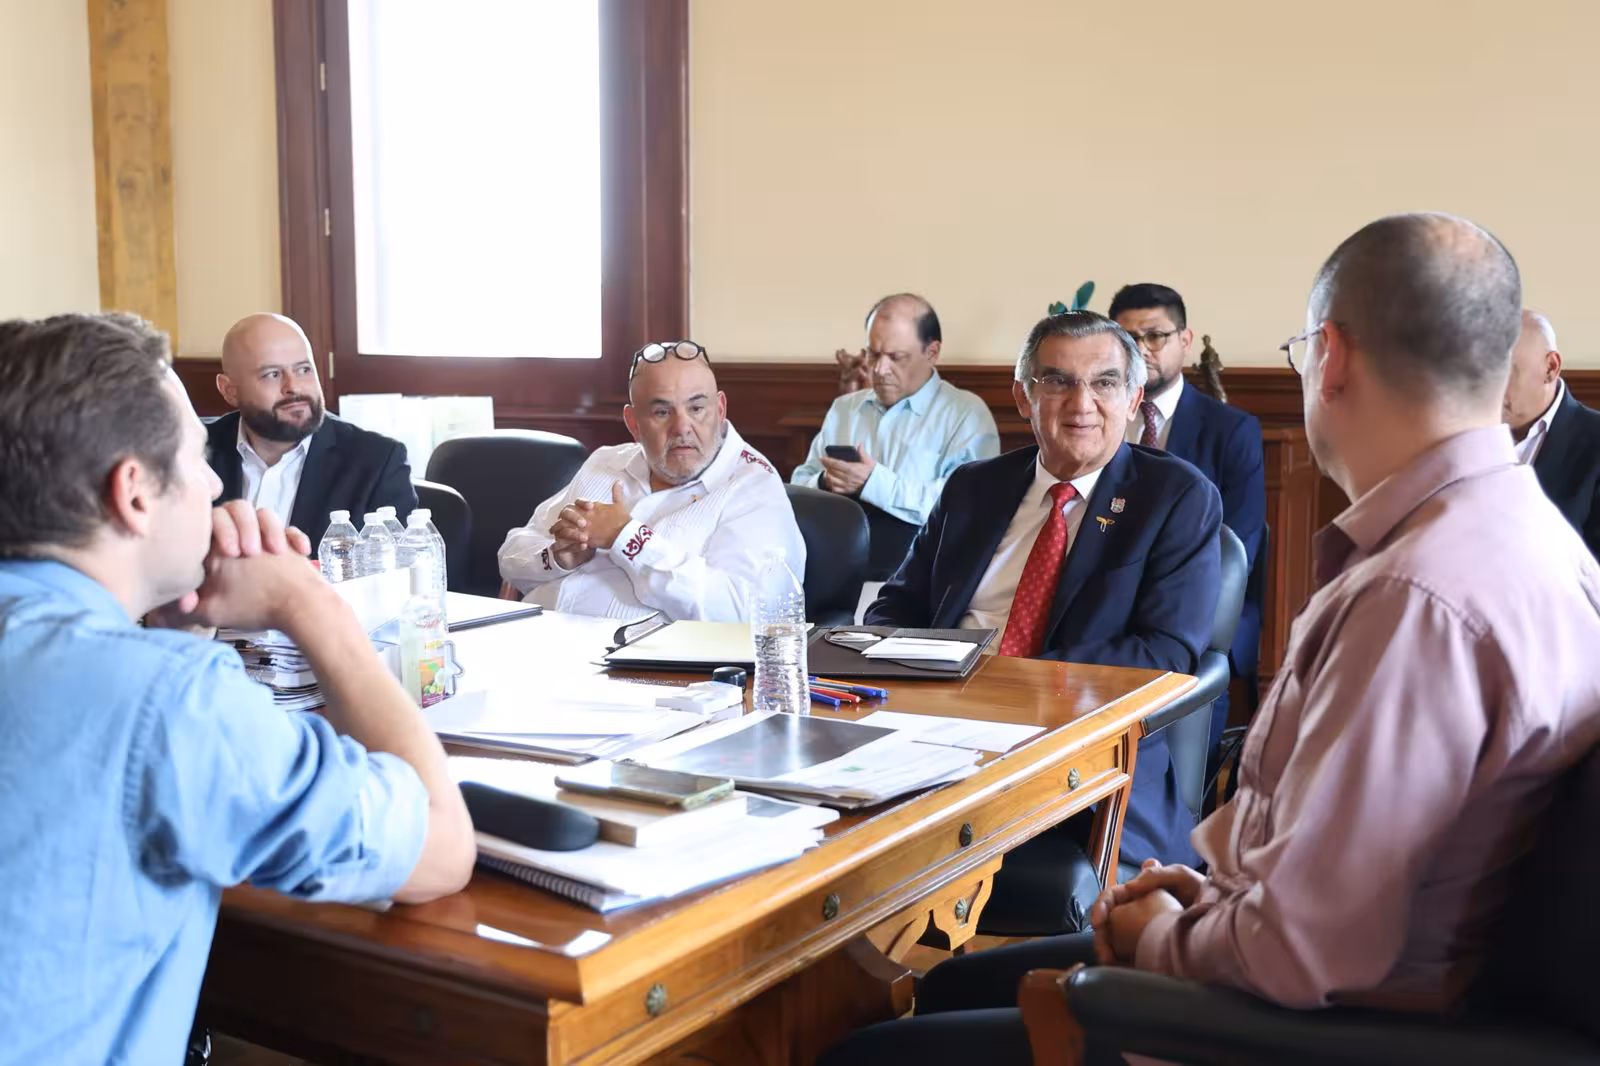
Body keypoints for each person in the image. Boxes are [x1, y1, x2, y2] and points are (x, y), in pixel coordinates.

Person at [821, 213, 1600, 1066]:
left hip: (1301, 1030)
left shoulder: (1413, 598)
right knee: (945, 990)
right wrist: (1207, 896)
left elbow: (1303, 953)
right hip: (1369, 976)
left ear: (1332, 357)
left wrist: (1164, 932)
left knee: (860, 1055)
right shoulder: (1536, 539)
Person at [0, 313, 475, 1066]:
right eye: (195, 457)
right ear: (134, 493)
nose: (216, 484)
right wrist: (307, 602)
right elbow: (441, 849)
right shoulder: (173, 701)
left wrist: (179, 623)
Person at [866, 310, 1222, 870]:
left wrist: (1009, 686)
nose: (1082, 403)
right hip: (935, 735)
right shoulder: (973, 487)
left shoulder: (1174, 497)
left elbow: (1164, 652)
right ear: (1023, 397)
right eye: (1057, 381)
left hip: (1081, 754)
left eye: (1104, 383)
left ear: (1133, 400)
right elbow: (895, 607)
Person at [499, 341, 805, 621]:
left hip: (642, 663)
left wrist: (627, 538)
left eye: (696, 408)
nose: (682, 426)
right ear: (633, 423)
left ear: (720, 409)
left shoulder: (753, 486)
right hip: (538, 644)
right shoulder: (605, 462)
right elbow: (512, 555)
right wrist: (557, 557)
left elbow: (748, 613)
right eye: (661, 412)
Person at [1110, 283, 1266, 744]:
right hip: (1106, 609)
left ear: (1185, 340)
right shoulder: (1097, 418)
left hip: (1196, 607)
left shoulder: (1231, 429)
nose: (1142, 350)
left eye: (1155, 336)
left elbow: (1238, 547)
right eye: (1128, 339)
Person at [790, 294, 999, 571]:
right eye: (873, 354)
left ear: (932, 353)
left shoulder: (966, 415)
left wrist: (873, 483)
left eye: (896, 357)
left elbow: (967, 508)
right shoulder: (844, 409)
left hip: (923, 578)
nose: (879, 369)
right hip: (833, 570)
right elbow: (798, 486)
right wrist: (825, 483)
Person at [207, 312, 417, 549]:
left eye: (303, 370)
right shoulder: (191, 453)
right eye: (272, 374)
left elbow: (397, 567)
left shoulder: (377, 461)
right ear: (230, 390)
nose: (293, 387)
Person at [1503, 308, 1600, 557]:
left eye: (1504, 372)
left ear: (1551, 367)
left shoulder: (1595, 441)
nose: (1487, 388)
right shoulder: (1458, 435)